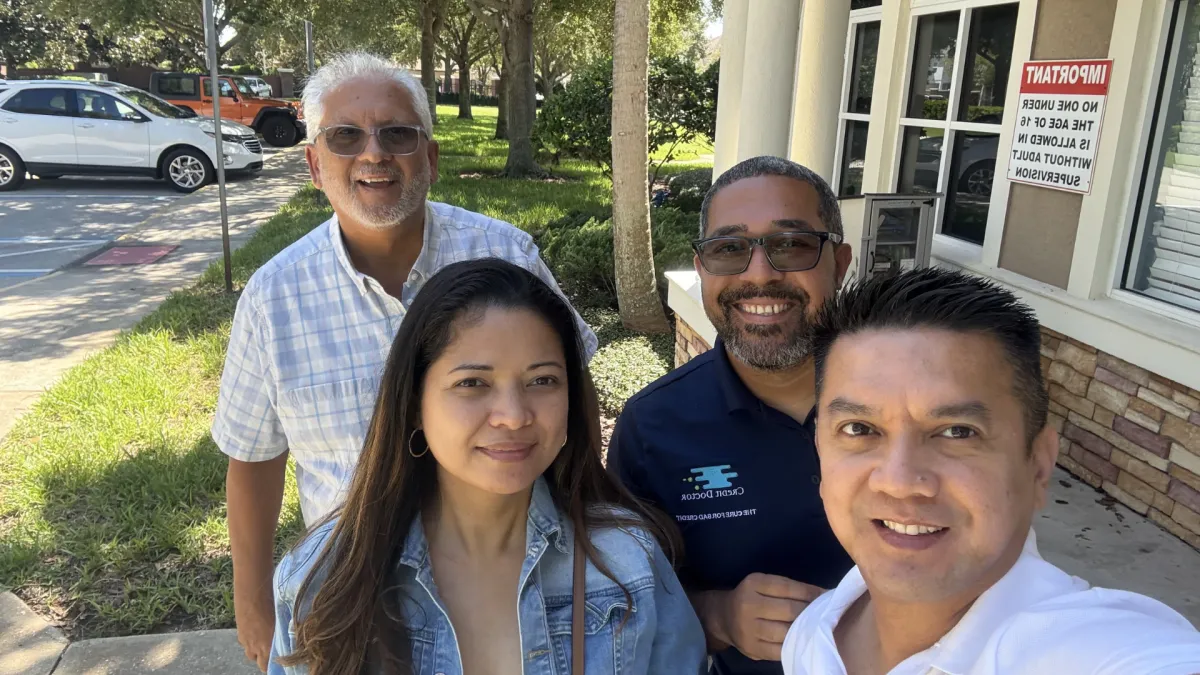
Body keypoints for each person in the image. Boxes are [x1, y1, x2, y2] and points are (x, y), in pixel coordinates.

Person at [212, 52, 597, 671]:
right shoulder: (273, 297)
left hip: (515, 586)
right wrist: (253, 601)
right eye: (345, 136)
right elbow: (254, 458)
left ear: (431, 158)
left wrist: (588, 522)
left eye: (397, 134)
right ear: (314, 164)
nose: (374, 154)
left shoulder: (506, 255)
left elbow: (570, 396)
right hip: (354, 597)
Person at [269, 258, 707, 675]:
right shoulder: (322, 578)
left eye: (542, 380)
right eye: (472, 383)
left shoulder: (630, 563)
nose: (513, 416)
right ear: (415, 404)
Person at [783, 267, 1200, 675]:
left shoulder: (1101, 651)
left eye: (957, 432)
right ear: (821, 451)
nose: (899, 481)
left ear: (1039, 466)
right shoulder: (811, 635)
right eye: (859, 429)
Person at [607, 156, 856, 675]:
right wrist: (718, 616)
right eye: (729, 249)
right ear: (702, 269)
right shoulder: (654, 428)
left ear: (840, 262)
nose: (760, 274)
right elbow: (625, 604)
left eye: (792, 244)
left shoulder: (910, 402)